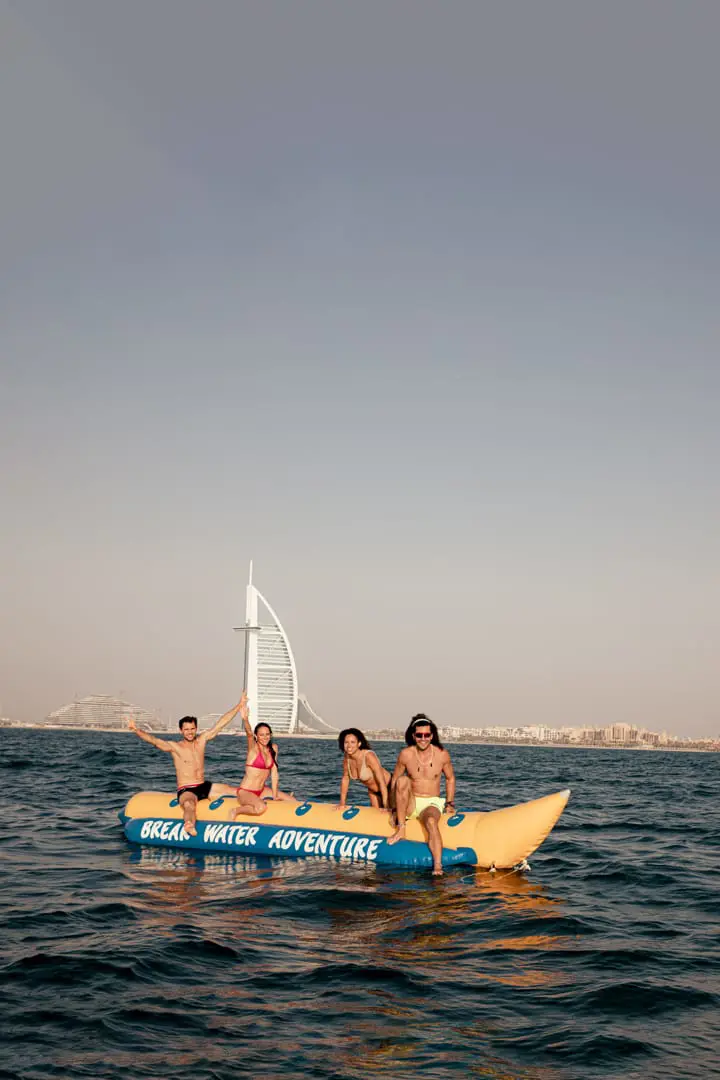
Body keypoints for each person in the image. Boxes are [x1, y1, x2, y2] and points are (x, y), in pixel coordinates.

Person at [127, 693, 247, 836]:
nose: (190, 732)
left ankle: (258, 801)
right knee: (189, 805)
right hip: (187, 789)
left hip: (203, 785)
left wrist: (239, 706)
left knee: (232, 790)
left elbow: (220, 724)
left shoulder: (201, 741)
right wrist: (136, 730)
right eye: (186, 729)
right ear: (181, 731)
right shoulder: (175, 747)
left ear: (196, 728)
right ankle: (189, 825)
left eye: (192, 729)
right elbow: (154, 740)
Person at [387, 713, 456, 875]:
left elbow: (450, 778)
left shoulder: (442, 754)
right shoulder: (406, 754)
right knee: (403, 781)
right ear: (413, 735)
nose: (423, 738)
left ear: (432, 736)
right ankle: (401, 829)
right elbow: (395, 781)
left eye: (427, 735)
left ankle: (437, 866)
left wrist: (450, 804)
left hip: (431, 803)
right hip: (410, 802)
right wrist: (393, 809)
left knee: (431, 821)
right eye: (419, 735)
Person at [231, 702, 295, 819]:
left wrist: (275, 795)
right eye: (261, 735)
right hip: (246, 792)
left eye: (267, 734)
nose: (265, 737)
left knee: (293, 801)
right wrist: (245, 719)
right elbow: (249, 733)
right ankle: (236, 811)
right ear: (257, 736)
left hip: (262, 790)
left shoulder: (273, 748)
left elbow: (274, 774)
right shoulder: (253, 749)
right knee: (261, 808)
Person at [336, 728, 391, 812]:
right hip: (373, 792)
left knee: (390, 815)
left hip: (389, 787)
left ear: (359, 744)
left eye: (352, 742)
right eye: (346, 742)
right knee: (375, 817)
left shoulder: (368, 756)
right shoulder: (347, 758)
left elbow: (381, 781)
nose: (349, 745)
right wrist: (342, 803)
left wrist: (386, 805)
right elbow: (345, 779)